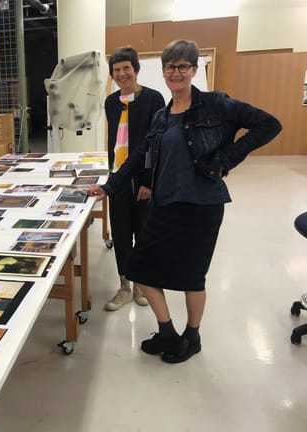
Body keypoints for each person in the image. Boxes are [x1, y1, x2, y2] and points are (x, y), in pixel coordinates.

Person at [88, 39, 281, 363]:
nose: (175, 73)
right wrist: (110, 186)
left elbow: (269, 125)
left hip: (202, 205)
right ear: (163, 71)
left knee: (192, 277)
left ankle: (192, 337)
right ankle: (167, 333)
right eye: (170, 67)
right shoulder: (162, 116)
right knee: (140, 269)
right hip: (165, 203)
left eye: (182, 66)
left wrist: (226, 159)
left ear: (193, 69)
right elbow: (139, 155)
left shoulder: (215, 104)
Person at [103, 46, 165, 312]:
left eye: (126, 68)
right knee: (120, 233)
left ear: (136, 69)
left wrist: (148, 180)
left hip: (142, 179)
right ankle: (125, 286)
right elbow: (116, 140)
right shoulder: (110, 102)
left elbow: (155, 145)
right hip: (118, 178)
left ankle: (141, 284)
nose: (121, 74)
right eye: (116, 70)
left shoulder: (153, 99)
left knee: (143, 232)